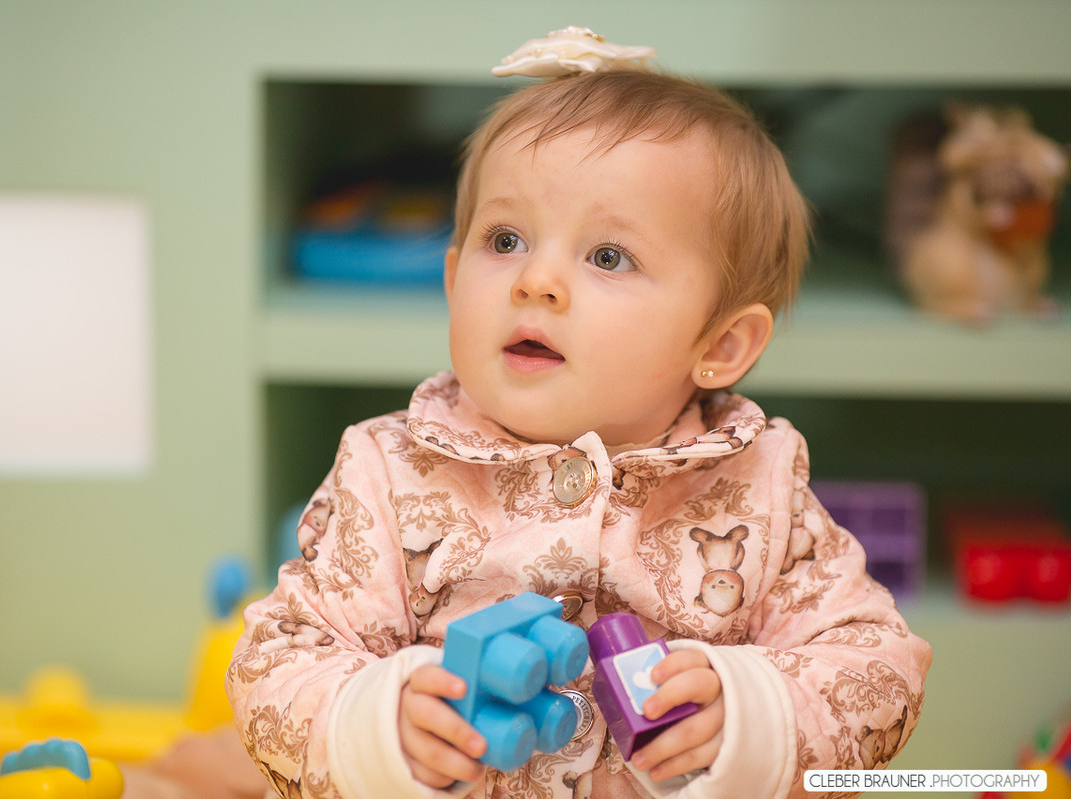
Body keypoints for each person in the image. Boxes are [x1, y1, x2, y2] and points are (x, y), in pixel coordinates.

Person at [227, 26, 932, 799]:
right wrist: (378, 725)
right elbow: (276, 657)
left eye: (607, 256)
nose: (537, 280)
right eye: (505, 238)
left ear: (722, 343)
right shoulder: (388, 471)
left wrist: (752, 711)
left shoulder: (758, 483)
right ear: (453, 276)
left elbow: (877, 662)